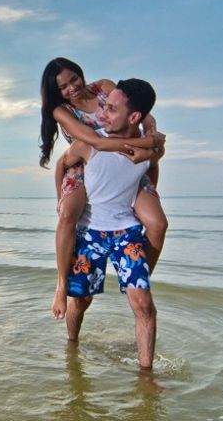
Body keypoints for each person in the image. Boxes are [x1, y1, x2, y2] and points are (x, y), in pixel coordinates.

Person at [39, 58, 168, 322]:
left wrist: (152, 137)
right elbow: (96, 141)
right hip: (87, 162)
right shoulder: (60, 110)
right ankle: (62, 286)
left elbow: (144, 114)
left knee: (158, 224)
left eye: (73, 78)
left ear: (80, 73)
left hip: (126, 161)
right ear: (55, 91)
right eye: (62, 86)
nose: (72, 88)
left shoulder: (105, 87)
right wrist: (145, 143)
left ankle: (136, 281)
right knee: (67, 215)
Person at [58, 78, 160, 370]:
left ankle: (146, 375)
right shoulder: (89, 143)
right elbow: (63, 164)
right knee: (81, 301)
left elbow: (152, 169)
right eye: (104, 106)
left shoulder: (148, 150)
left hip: (127, 233)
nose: (102, 113)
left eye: (111, 109)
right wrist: (60, 199)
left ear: (134, 117)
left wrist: (148, 197)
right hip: (90, 234)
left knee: (143, 304)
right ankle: (72, 348)